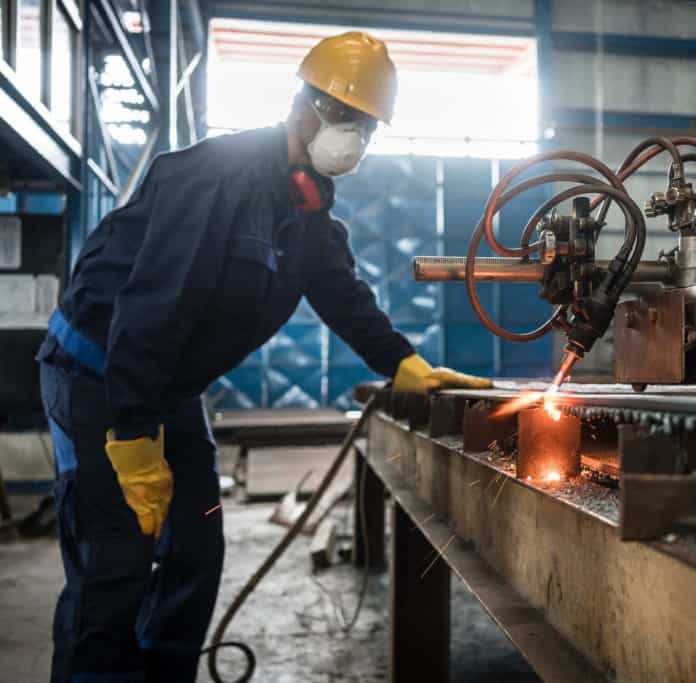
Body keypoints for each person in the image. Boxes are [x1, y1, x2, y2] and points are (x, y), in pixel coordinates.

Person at [37, 31, 489, 682]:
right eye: (344, 116)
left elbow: (343, 295)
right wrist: (133, 436)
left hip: (166, 383)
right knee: (115, 564)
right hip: (97, 373)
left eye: (366, 125)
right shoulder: (214, 176)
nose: (353, 137)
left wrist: (404, 364)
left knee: (195, 544)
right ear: (301, 106)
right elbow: (152, 308)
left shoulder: (306, 212)